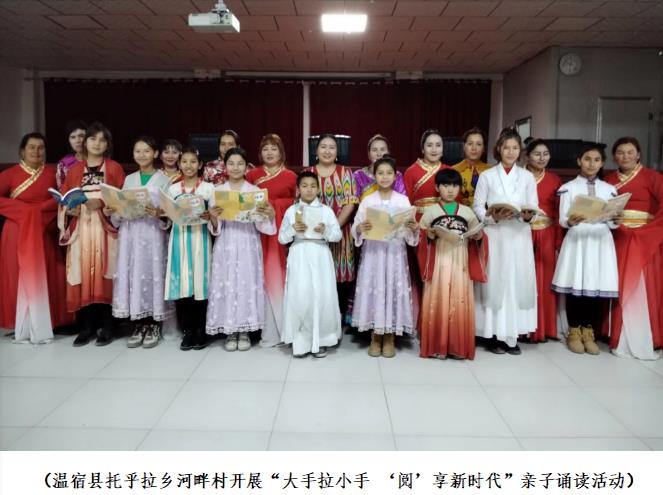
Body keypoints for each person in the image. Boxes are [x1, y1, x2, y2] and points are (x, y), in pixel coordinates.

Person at [59, 122, 125, 346]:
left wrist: (104, 204)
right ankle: (86, 326)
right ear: (85, 142)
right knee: (83, 273)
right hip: (82, 229)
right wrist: (69, 209)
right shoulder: (74, 171)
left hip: (105, 229)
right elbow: (64, 200)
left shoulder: (114, 168)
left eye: (102, 140)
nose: (97, 144)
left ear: (108, 144)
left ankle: (108, 325)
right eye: (93, 139)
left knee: (106, 272)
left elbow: (122, 200)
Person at [473, 128, 538, 355]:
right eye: (506, 147)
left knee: (515, 280)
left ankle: (512, 335)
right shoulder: (487, 176)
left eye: (515, 148)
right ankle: (492, 334)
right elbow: (477, 205)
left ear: (520, 151)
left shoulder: (527, 177)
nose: (510, 152)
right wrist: (492, 217)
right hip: (496, 234)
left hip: (519, 234)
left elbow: (533, 206)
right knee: (494, 280)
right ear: (498, 149)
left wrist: (527, 215)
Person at [0, 133, 71, 342]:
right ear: (22, 151)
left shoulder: (53, 173)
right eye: (31, 147)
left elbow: (61, 198)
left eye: (41, 147)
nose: (36, 151)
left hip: (44, 230)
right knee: (16, 273)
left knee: (48, 272)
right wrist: (24, 211)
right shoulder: (9, 174)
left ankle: (51, 320)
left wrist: (40, 210)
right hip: (17, 230)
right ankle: (20, 322)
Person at [552, 145, 621, 355]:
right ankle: (574, 331)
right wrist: (570, 221)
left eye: (597, 160)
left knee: (594, 284)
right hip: (578, 238)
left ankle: (588, 331)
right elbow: (563, 219)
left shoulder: (609, 189)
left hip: (600, 240)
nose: (592, 164)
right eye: (587, 159)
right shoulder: (569, 187)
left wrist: (616, 219)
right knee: (576, 284)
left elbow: (613, 224)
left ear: (602, 163)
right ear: (579, 161)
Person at [206, 147, 276, 351]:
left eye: (240, 163)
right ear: (225, 166)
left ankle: (244, 329)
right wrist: (213, 217)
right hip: (226, 243)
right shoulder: (218, 192)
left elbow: (263, 225)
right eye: (231, 163)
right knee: (227, 283)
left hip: (248, 242)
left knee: (246, 283)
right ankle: (230, 330)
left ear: (246, 167)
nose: (235, 167)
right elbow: (216, 227)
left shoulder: (254, 192)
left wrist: (268, 214)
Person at [109, 136, 174, 349]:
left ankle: (154, 324)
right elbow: (120, 211)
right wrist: (114, 209)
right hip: (132, 234)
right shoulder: (129, 180)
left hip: (153, 235)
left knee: (153, 275)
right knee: (134, 275)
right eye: (138, 151)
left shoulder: (164, 180)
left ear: (155, 154)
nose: (142, 155)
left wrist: (159, 214)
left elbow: (169, 214)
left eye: (146, 151)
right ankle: (138, 324)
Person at [351, 156, 419, 358]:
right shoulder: (368, 200)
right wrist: (360, 228)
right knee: (376, 288)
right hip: (374, 253)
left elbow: (410, 232)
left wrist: (413, 228)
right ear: (374, 175)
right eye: (380, 173)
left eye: (389, 173)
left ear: (395, 175)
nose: (385, 176)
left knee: (392, 288)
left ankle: (389, 336)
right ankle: (376, 335)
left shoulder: (402, 200)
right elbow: (357, 227)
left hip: (395, 253)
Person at [605, 137, 663, 360]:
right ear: (614, 156)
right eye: (620, 152)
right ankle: (616, 334)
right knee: (618, 285)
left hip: (645, 238)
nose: (625, 156)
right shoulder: (609, 180)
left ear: (638, 154)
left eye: (630, 152)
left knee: (644, 287)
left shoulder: (653, 178)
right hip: (619, 236)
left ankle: (649, 336)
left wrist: (647, 231)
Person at [419, 168, 485, 360]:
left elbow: (478, 234)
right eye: (446, 185)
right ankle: (436, 345)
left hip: (460, 258)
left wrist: (478, 236)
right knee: (438, 296)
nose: (450, 190)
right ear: (437, 187)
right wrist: (429, 234)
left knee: (459, 297)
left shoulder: (467, 211)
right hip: (439, 258)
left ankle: (458, 346)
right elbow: (420, 236)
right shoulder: (430, 211)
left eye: (455, 186)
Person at [279, 171, 342, 357]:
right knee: (300, 294)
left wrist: (325, 230)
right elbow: (282, 238)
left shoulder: (326, 211)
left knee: (322, 295)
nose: (309, 189)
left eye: (313, 186)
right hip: (299, 253)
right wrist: (292, 230)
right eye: (304, 186)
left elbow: (337, 236)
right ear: (298, 189)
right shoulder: (291, 211)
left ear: (318, 189)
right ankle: (301, 342)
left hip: (320, 253)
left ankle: (322, 339)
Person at [246, 134, 297, 346]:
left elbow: (297, 203)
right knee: (254, 276)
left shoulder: (291, 176)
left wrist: (275, 206)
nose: (269, 152)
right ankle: (254, 327)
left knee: (277, 275)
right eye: (265, 148)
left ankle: (281, 329)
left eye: (274, 148)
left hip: (279, 234)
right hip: (254, 232)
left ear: (281, 151)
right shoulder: (252, 175)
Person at [164, 146, 215, 351]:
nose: (188, 165)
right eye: (184, 161)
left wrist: (210, 216)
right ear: (179, 164)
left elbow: (216, 217)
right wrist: (163, 214)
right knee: (183, 283)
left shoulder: (208, 189)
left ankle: (201, 329)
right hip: (179, 240)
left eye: (193, 161)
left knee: (201, 284)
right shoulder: (173, 190)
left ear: (200, 164)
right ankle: (188, 330)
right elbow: (168, 219)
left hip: (200, 239)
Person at [304, 134, 358, 323]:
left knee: (341, 276)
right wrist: (319, 229)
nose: (327, 151)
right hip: (313, 234)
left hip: (341, 232)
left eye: (332, 147)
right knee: (316, 276)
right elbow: (300, 203)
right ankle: (318, 319)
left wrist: (332, 227)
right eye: (323, 147)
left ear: (337, 152)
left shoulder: (345, 172)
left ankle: (338, 319)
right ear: (316, 150)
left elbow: (350, 203)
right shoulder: (308, 172)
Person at [525, 139, 562, 343]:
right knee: (524, 278)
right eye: (536, 154)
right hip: (523, 231)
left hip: (547, 232)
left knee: (545, 281)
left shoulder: (555, 180)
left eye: (545, 154)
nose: (541, 158)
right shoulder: (519, 176)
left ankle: (545, 327)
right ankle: (523, 328)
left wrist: (558, 240)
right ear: (527, 156)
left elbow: (558, 212)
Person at [403, 129, 451, 277]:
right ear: (422, 149)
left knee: (443, 267)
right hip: (419, 223)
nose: (434, 149)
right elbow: (406, 203)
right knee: (422, 267)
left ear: (443, 149)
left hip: (444, 221)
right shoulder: (411, 171)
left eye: (438, 145)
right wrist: (413, 225)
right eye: (429, 145)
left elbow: (456, 201)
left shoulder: (449, 170)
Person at [353, 134, 406, 201]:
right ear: (369, 154)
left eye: (382, 149)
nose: (379, 154)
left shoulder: (396, 175)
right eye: (374, 150)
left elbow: (402, 200)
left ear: (388, 153)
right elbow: (353, 202)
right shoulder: (358, 176)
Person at [452, 127, 490, 207]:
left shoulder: (490, 171)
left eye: (478, 144)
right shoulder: (453, 170)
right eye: (470, 144)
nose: (474, 148)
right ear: (464, 146)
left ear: (484, 148)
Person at [56, 120, 86, 189]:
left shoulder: (98, 161)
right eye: (73, 137)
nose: (77, 140)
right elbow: (61, 190)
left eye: (81, 136)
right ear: (69, 141)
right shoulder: (63, 164)